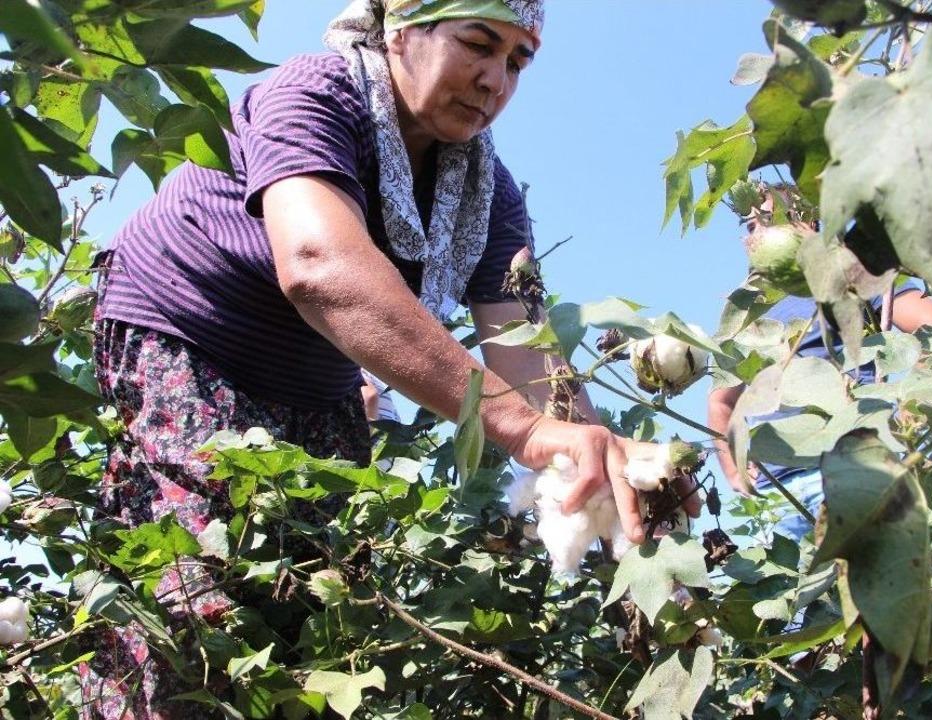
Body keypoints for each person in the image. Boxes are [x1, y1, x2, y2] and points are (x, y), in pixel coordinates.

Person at [86, 2, 696, 716]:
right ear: (401, 30)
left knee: (311, 603)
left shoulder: (487, 193)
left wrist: (617, 477)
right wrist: (526, 433)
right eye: (478, 43)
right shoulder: (315, 92)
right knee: (193, 597)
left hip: (318, 385)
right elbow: (319, 265)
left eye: (518, 61)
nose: (495, 79)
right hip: (188, 335)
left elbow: (531, 355)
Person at [708, 286, 932, 541]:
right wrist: (734, 471)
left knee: (864, 574)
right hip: (773, 490)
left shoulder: (850, 279)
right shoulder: (748, 308)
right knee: (790, 578)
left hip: (849, 466)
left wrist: (912, 407)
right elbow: (721, 401)